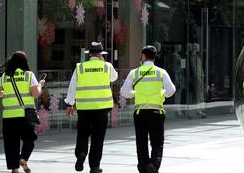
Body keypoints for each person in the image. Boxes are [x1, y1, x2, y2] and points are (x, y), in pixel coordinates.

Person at [121, 45, 176, 173]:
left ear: (144, 56)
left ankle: (143, 167)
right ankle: (154, 164)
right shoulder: (161, 72)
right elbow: (171, 90)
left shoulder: (134, 72)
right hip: (156, 112)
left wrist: (135, 93)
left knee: (141, 142)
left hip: (140, 113)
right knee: (157, 141)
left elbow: (124, 92)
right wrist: (162, 93)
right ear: (154, 57)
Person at [65, 42, 118, 173]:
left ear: (89, 55)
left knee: (82, 134)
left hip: (84, 108)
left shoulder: (80, 67)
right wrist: (104, 62)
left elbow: (73, 86)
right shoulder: (107, 66)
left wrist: (70, 104)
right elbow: (114, 78)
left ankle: (81, 153)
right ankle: (94, 166)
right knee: (97, 139)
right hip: (102, 108)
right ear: (100, 55)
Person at [0, 51, 44, 173]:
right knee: (29, 140)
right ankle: (23, 158)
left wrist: (5, 94)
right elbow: (36, 94)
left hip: (9, 117)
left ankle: (14, 169)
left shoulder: (5, 76)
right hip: (25, 116)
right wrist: (40, 85)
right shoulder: (28, 75)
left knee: (11, 144)